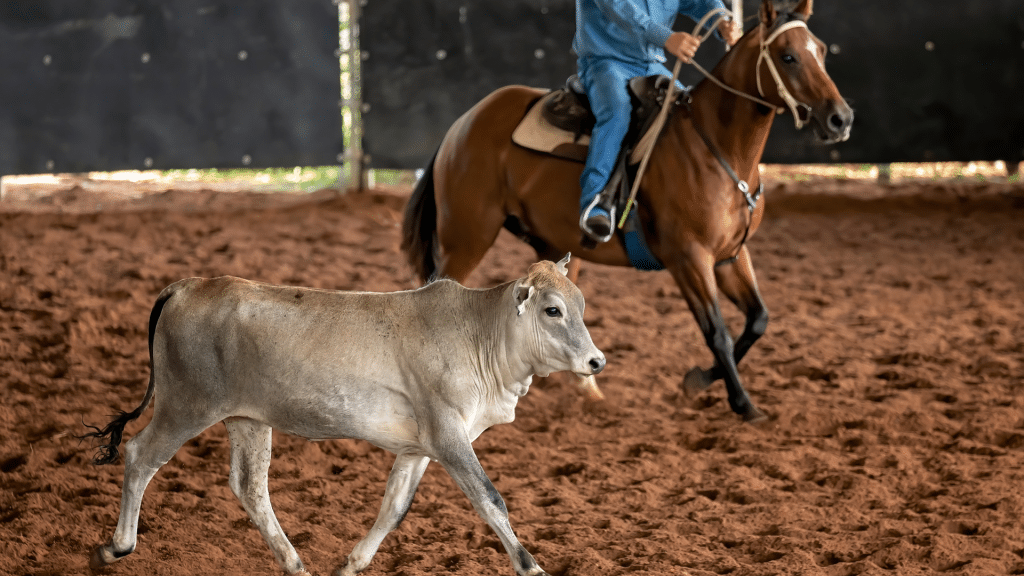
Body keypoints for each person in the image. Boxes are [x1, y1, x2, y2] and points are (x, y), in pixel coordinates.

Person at [575, 0, 742, 242]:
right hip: (605, 61)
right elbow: (619, 8)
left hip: (652, 65)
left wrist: (721, 20)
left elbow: (699, 2)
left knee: (689, 113)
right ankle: (596, 204)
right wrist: (665, 37)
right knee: (618, 112)